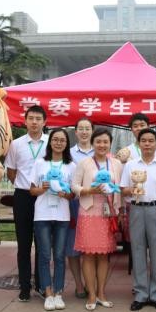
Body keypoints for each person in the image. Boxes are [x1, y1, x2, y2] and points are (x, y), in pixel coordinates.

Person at [120, 128, 156, 311]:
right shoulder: (130, 165)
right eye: (144, 141)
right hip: (136, 209)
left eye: (151, 141)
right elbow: (123, 190)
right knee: (137, 251)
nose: (147, 144)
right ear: (139, 143)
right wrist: (133, 189)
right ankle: (141, 293)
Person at [71, 128, 123, 310]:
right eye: (98, 141)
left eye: (105, 142)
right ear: (93, 144)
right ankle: (91, 294)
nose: (102, 145)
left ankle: (101, 293)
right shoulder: (84, 163)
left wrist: (119, 210)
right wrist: (89, 190)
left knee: (103, 255)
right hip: (88, 213)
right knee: (88, 255)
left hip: (108, 214)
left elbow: (120, 188)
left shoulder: (116, 163)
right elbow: (74, 186)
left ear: (110, 144)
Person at [4, 105, 48, 302]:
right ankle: (24, 286)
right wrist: (25, 186)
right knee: (23, 244)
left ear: (44, 122)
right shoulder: (16, 144)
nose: (34, 122)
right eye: (31, 118)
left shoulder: (51, 142)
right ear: (25, 121)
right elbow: (11, 172)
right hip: (22, 196)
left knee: (42, 243)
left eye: (38, 119)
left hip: (44, 196)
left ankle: (41, 284)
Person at [30, 128, 76, 311]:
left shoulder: (71, 166)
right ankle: (47, 293)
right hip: (42, 215)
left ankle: (58, 293)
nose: (58, 143)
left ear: (66, 144)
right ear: (50, 143)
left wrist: (66, 194)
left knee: (59, 255)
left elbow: (73, 194)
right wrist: (42, 189)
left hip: (62, 216)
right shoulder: (40, 163)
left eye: (62, 140)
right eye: (55, 139)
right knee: (44, 255)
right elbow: (32, 190)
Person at [68, 118, 94, 299]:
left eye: (87, 129)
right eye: (81, 129)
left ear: (92, 131)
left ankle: (92, 285)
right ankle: (79, 284)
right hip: (73, 203)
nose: (84, 132)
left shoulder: (100, 150)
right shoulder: (68, 154)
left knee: (92, 246)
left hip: (93, 204)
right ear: (76, 132)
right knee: (72, 246)